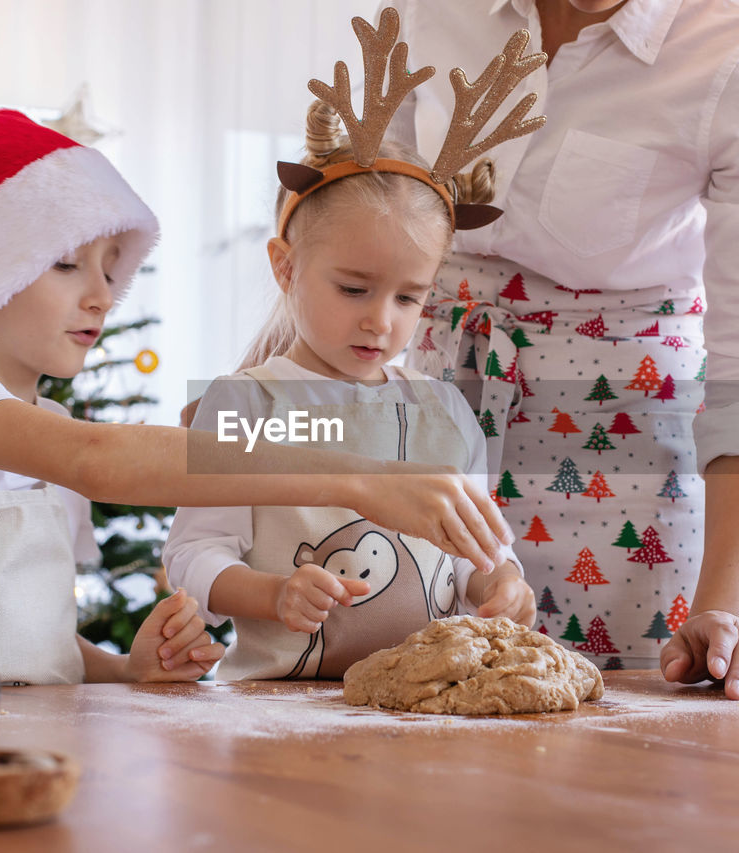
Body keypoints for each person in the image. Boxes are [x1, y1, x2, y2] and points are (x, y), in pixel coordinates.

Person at [0, 109, 513, 685]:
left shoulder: (41, 425)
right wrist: (361, 480)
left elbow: (27, 642)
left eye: (112, 268)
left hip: (20, 719)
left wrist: (126, 668)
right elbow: (98, 457)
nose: (103, 295)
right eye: (64, 263)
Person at [385, 0, 739, 700]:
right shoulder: (428, 11)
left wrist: (727, 606)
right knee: (411, 725)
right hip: (432, 430)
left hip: (623, 460)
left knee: (625, 759)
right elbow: (362, 234)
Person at [162, 12, 551, 678]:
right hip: (279, 714)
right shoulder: (245, 403)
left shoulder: (446, 413)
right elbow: (192, 557)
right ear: (285, 267)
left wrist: (502, 587)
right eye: (353, 289)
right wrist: (271, 594)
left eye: (408, 297)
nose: (381, 321)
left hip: (426, 703)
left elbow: (477, 556)